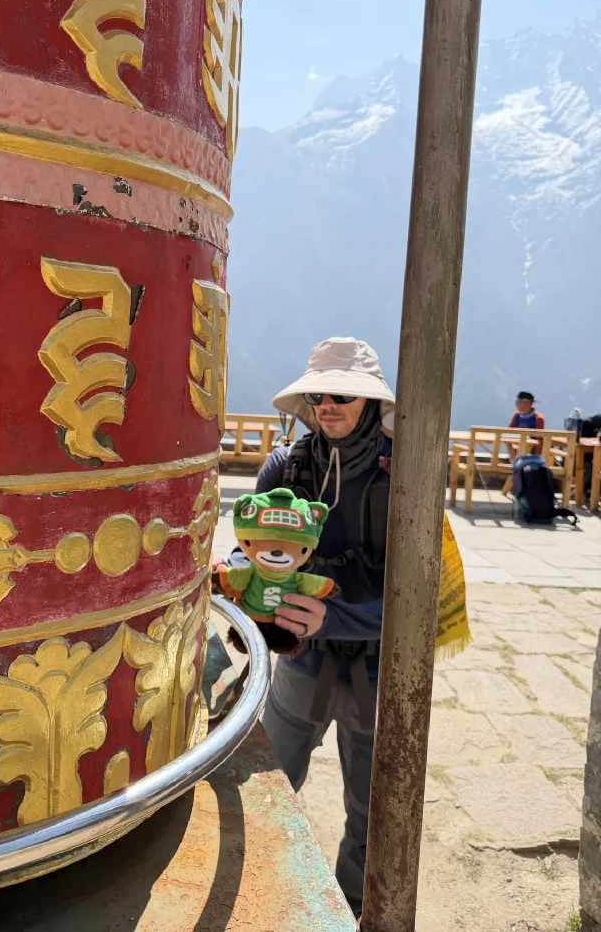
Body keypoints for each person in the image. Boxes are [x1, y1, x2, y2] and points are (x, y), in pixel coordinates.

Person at [218, 337, 395, 920]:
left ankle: (352, 908)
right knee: (265, 787)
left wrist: (335, 613)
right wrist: (242, 610)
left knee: (371, 810)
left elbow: (423, 592)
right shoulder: (286, 466)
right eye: (318, 392)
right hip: (299, 661)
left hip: (377, 669)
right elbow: (247, 555)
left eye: (343, 393)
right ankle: (251, 898)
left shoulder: (404, 475)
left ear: (370, 403)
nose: (328, 403)